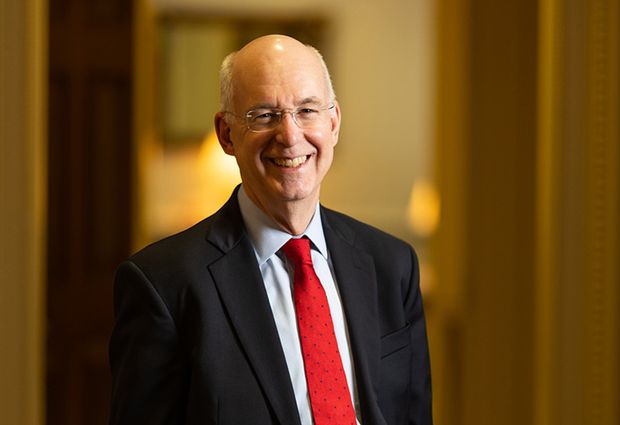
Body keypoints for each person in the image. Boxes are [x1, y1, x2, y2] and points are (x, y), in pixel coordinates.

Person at [109, 34, 432, 425]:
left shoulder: (392, 266)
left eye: (307, 110)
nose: (290, 136)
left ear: (333, 123)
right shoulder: (163, 284)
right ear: (227, 134)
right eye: (264, 115)